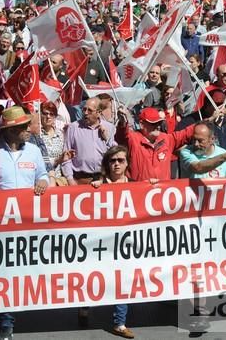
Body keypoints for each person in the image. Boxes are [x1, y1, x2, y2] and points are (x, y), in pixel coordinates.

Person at [0, 106, 48, 340]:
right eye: (24, 127)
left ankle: (12, 310)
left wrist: (44, 182)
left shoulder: (34, 151)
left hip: (28, 222)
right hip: (0, 224)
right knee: (5, 272)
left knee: (22, 270)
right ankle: (7, 320)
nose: (29, 130)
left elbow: (42, 175)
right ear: (11, 130)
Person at [89, 145, 136, 338]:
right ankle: (84, 306)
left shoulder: (135, 185)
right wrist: (93, 189)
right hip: (100, 242)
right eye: (112, 161)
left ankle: (120, 322)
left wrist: (152, 186)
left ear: (127, 164)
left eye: (121, 160)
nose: (116, 164)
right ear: (107, 164)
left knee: (122, 279)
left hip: (125, 244)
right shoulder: (97, 184)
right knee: (92, 276)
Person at [115, 107, 196, 181]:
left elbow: (186, 133)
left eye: (159, 123)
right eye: (153, 123)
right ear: (142, 124)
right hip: (139, 193)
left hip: (163, 192)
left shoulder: (167, 139)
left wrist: (204, 123)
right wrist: (122, 123)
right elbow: (121, 135)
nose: (157, 126)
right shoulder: (132, 139)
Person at [62, 97, 117, 185]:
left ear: (98, 112)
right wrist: (70, 179)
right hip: (80, 180)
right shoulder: (73, 128)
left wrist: (106, 139)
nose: (85, 113)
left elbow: (114, 154)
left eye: (90, 110)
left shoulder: (109, 128)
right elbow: (66, 157)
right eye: (84, 109)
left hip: (102, 180)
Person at [29, 102, 71, 186]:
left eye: (51, 114)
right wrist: (57, 160)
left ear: (55, 117)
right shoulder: (36, 135)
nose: (48, 117)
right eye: (45, 113)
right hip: (42, 180)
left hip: (60, 180)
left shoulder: (61, 134)